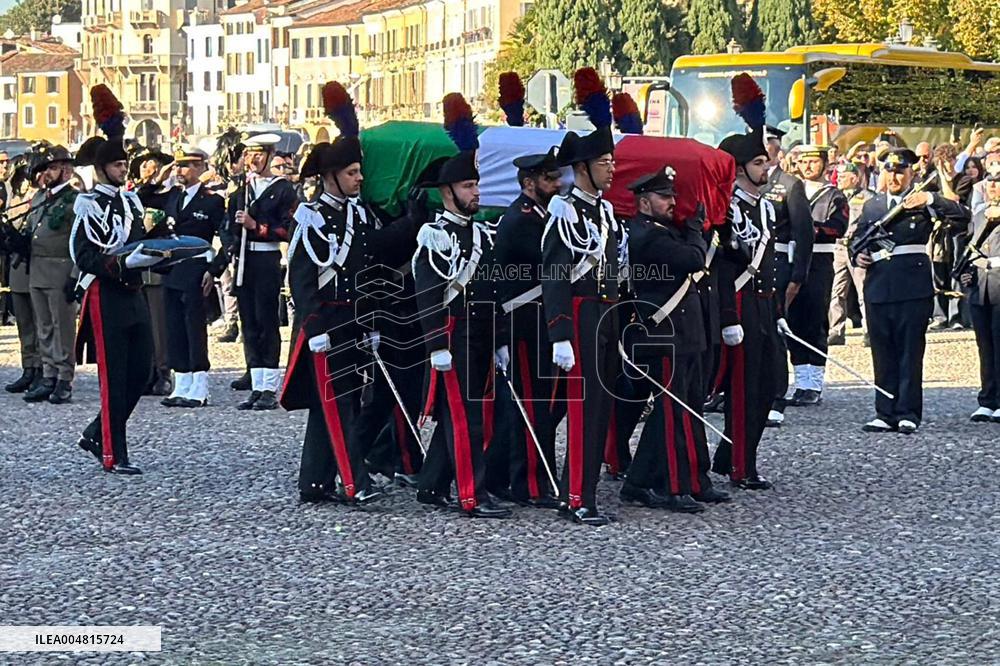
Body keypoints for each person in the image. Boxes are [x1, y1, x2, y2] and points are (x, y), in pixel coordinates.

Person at [280, 82, 418, 504]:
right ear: (330, 177)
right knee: (338, 406)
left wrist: (411, 221)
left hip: (353, 322)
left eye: (359, 172)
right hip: (325, 324)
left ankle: (314, 482)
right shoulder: (312, 218)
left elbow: (373, 256)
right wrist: (315, 327)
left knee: (339, 405)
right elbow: (302, 279)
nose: (360, 179)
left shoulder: (357, 216)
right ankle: (354, 483)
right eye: (352, 173)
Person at [411, 93, 511, 519]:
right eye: (469, 186)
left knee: (466, 415)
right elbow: (428, 296)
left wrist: (500, 340)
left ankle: (432, 485)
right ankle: (472, 494)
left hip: (480, 335)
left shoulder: (481, 235)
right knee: (464, 418)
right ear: (447, 192)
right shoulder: (435, 237)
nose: (477, 192)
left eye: (477, 184)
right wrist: (437, 346)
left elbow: (492, 292)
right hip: (452, 338)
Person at [618, 167, 731, 511]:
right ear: (643, 202)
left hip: (686, 333)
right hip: (663, 335)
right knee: (671, 413)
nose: (672, 202)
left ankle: (684, 479)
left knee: (690, 409)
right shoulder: (647, 234)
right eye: (664, 196)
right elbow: (693, 259)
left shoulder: (664, 230)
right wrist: (695, 229)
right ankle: (672, 485)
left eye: (672, 195)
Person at [72, 86, 162, 474]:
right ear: (101, 168)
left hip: (133, 293)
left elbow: (138, 239)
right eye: (118, 165)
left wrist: (162, 251)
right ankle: (114, 453)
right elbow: (83, 254)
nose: (124, 170)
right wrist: (120, 265)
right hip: (106, 295)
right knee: (115, 377)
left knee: (142, 372)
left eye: (125, 164)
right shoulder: (88, 204)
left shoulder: (129, 202)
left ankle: (97, 433)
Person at [852, 149, 969, 434]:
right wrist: (858, 255)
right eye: (889, 171)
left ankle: (907, 411)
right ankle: (884, 411)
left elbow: (962, 217)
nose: (894, 177)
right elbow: (856, 238)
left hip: (912, 286)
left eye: (900, 171)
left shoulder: (923, 203)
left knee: (909, 351)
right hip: (879, 285)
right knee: (882, 351)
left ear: (910, 173)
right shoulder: (873, 206)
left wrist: (931, 199)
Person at [541, 124, 621, 526]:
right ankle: (577, 497)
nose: (612, 168)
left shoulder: (604, 211)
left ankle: (577, 490)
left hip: (604, 314)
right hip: (579, 317)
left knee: (600, 407)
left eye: (611, 161)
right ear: (583, 168)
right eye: (604, 162)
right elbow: (555, 274)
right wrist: (560, 333)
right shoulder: (564, 211)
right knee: (583, 408)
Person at [711, 73, 780, 490]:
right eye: (757, 164)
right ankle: (740, 466)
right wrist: (728, 317)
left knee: (768, 386)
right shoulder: (727, 211)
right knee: (741, 390)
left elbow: (771, 263)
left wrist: (777, 310)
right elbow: (722, 269)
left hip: (764, 305)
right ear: (738, 169)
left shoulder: (765, 209)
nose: (766, 168)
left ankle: (733, 456)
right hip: (738, 306)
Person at [487, 147, 563, 508]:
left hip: (537, 319)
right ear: (529, 183)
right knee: (531, 404)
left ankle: (501, 475)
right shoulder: (522, 219)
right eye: (549, 178)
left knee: (538, 404)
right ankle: (529, 484)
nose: (557, 184)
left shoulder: (541, 215)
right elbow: (552, 262)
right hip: (522, 322)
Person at [136, 147, 228, 408]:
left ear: (200, 168)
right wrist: (159, 177)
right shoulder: (173, 197)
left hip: (196, 269)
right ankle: (182, 383)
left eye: (185, 166)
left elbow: (228, 236)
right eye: (177, 166)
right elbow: (142, 198)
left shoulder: (211, 200)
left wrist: (214, 269)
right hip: (172, 268)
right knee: (174, 327)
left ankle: (199, 386)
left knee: (193, 327)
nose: (179, 171)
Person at [227, 133, 296, 410]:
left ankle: (269, 387)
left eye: (258, 154)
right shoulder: (242, 191)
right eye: (249, 154)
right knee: (249, 322)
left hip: (267, 259)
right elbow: (228, 227)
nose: (252, 159)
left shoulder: (283, 189)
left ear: (269, 155)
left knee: (267, 321)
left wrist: (257, 227)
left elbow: (289, 229)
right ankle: (256, 385)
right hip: (245, 260)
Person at [783, 145, 848, 406]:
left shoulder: (833, 195)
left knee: (815, 320)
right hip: (793, 258)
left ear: (825, 164)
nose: (807, 167)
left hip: (819, 260)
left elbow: (838, 227)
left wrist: (807, 228)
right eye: (803, 162)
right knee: (792, 322)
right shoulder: (790, 190)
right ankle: (801, 381)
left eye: (813, 161)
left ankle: (814, 383)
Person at [760, 126, 813, 427]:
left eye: (770, 143)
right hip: (751, 267)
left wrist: (798, 276)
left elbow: (803, 232)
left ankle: (776, 398)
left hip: (779, 264)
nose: (765, 147)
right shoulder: (743, 182)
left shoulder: (789, 184)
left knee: (775, 332)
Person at [21, 145, 79, 404]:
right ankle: (48, 374)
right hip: (38, 268)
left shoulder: (75, 200)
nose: (47, 173)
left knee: (62, 327)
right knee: (43, 326)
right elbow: (32, 230)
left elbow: (80, 240)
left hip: (60, 269)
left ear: (67, 171)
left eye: (53, 168)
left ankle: (64, 378)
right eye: (46, 168)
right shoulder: (40, 198)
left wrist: (75, 275)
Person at [959, 164, 1000, 422]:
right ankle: (988, 398)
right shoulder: (980, 214)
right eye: (990, 180)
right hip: (981, 286)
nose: (993, 185)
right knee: (985, 345)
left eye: (998, 180)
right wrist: (966, 273)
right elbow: (970, 248)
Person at [3, 165, 41, 395]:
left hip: (37, 266)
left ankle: (42, 368)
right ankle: (28, 367)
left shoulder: (41, 200)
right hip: (18, 267)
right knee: (24, 323)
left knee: (41, 323)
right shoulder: (15, 200)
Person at [828, 162, 874, 345]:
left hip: (858, 247)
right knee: (837, 290)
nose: (838, 179)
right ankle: (836, 330)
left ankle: (869, 330)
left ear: (854, 178)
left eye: (843, 176)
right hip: (839, 247)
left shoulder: (868, 198)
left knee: (863, 290)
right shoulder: (835, 196)